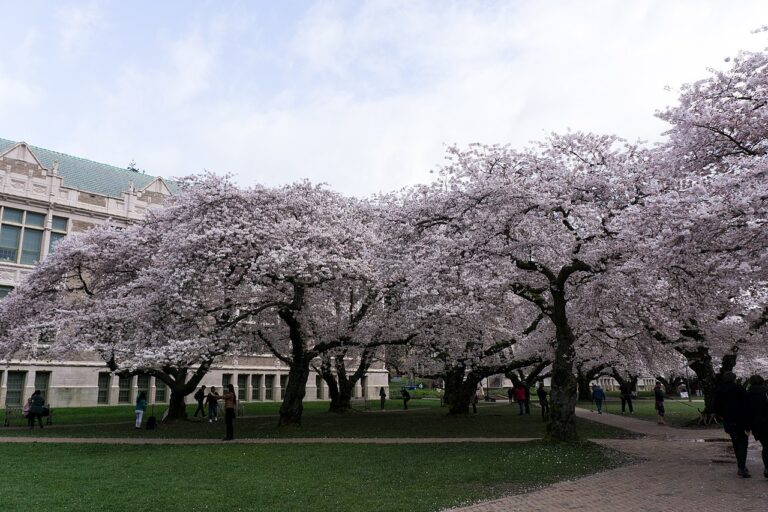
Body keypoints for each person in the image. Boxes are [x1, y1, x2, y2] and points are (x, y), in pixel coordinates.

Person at [715, 371, 750, 477]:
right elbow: (746, 404)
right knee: (743, 443)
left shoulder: (720, 390)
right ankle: (741, 467)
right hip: (741, 419)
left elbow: (717, 406)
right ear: (734, 379)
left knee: (735, 442)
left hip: (728, 419)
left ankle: (741, 464)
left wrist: (722, 415)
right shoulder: (739, 389)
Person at [745, 375, 768, 479]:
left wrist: (748, 427)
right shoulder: (766, 393)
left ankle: (767, 467)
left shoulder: (748, 394)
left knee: (766, 446)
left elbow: (747, 412)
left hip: (757, 425)